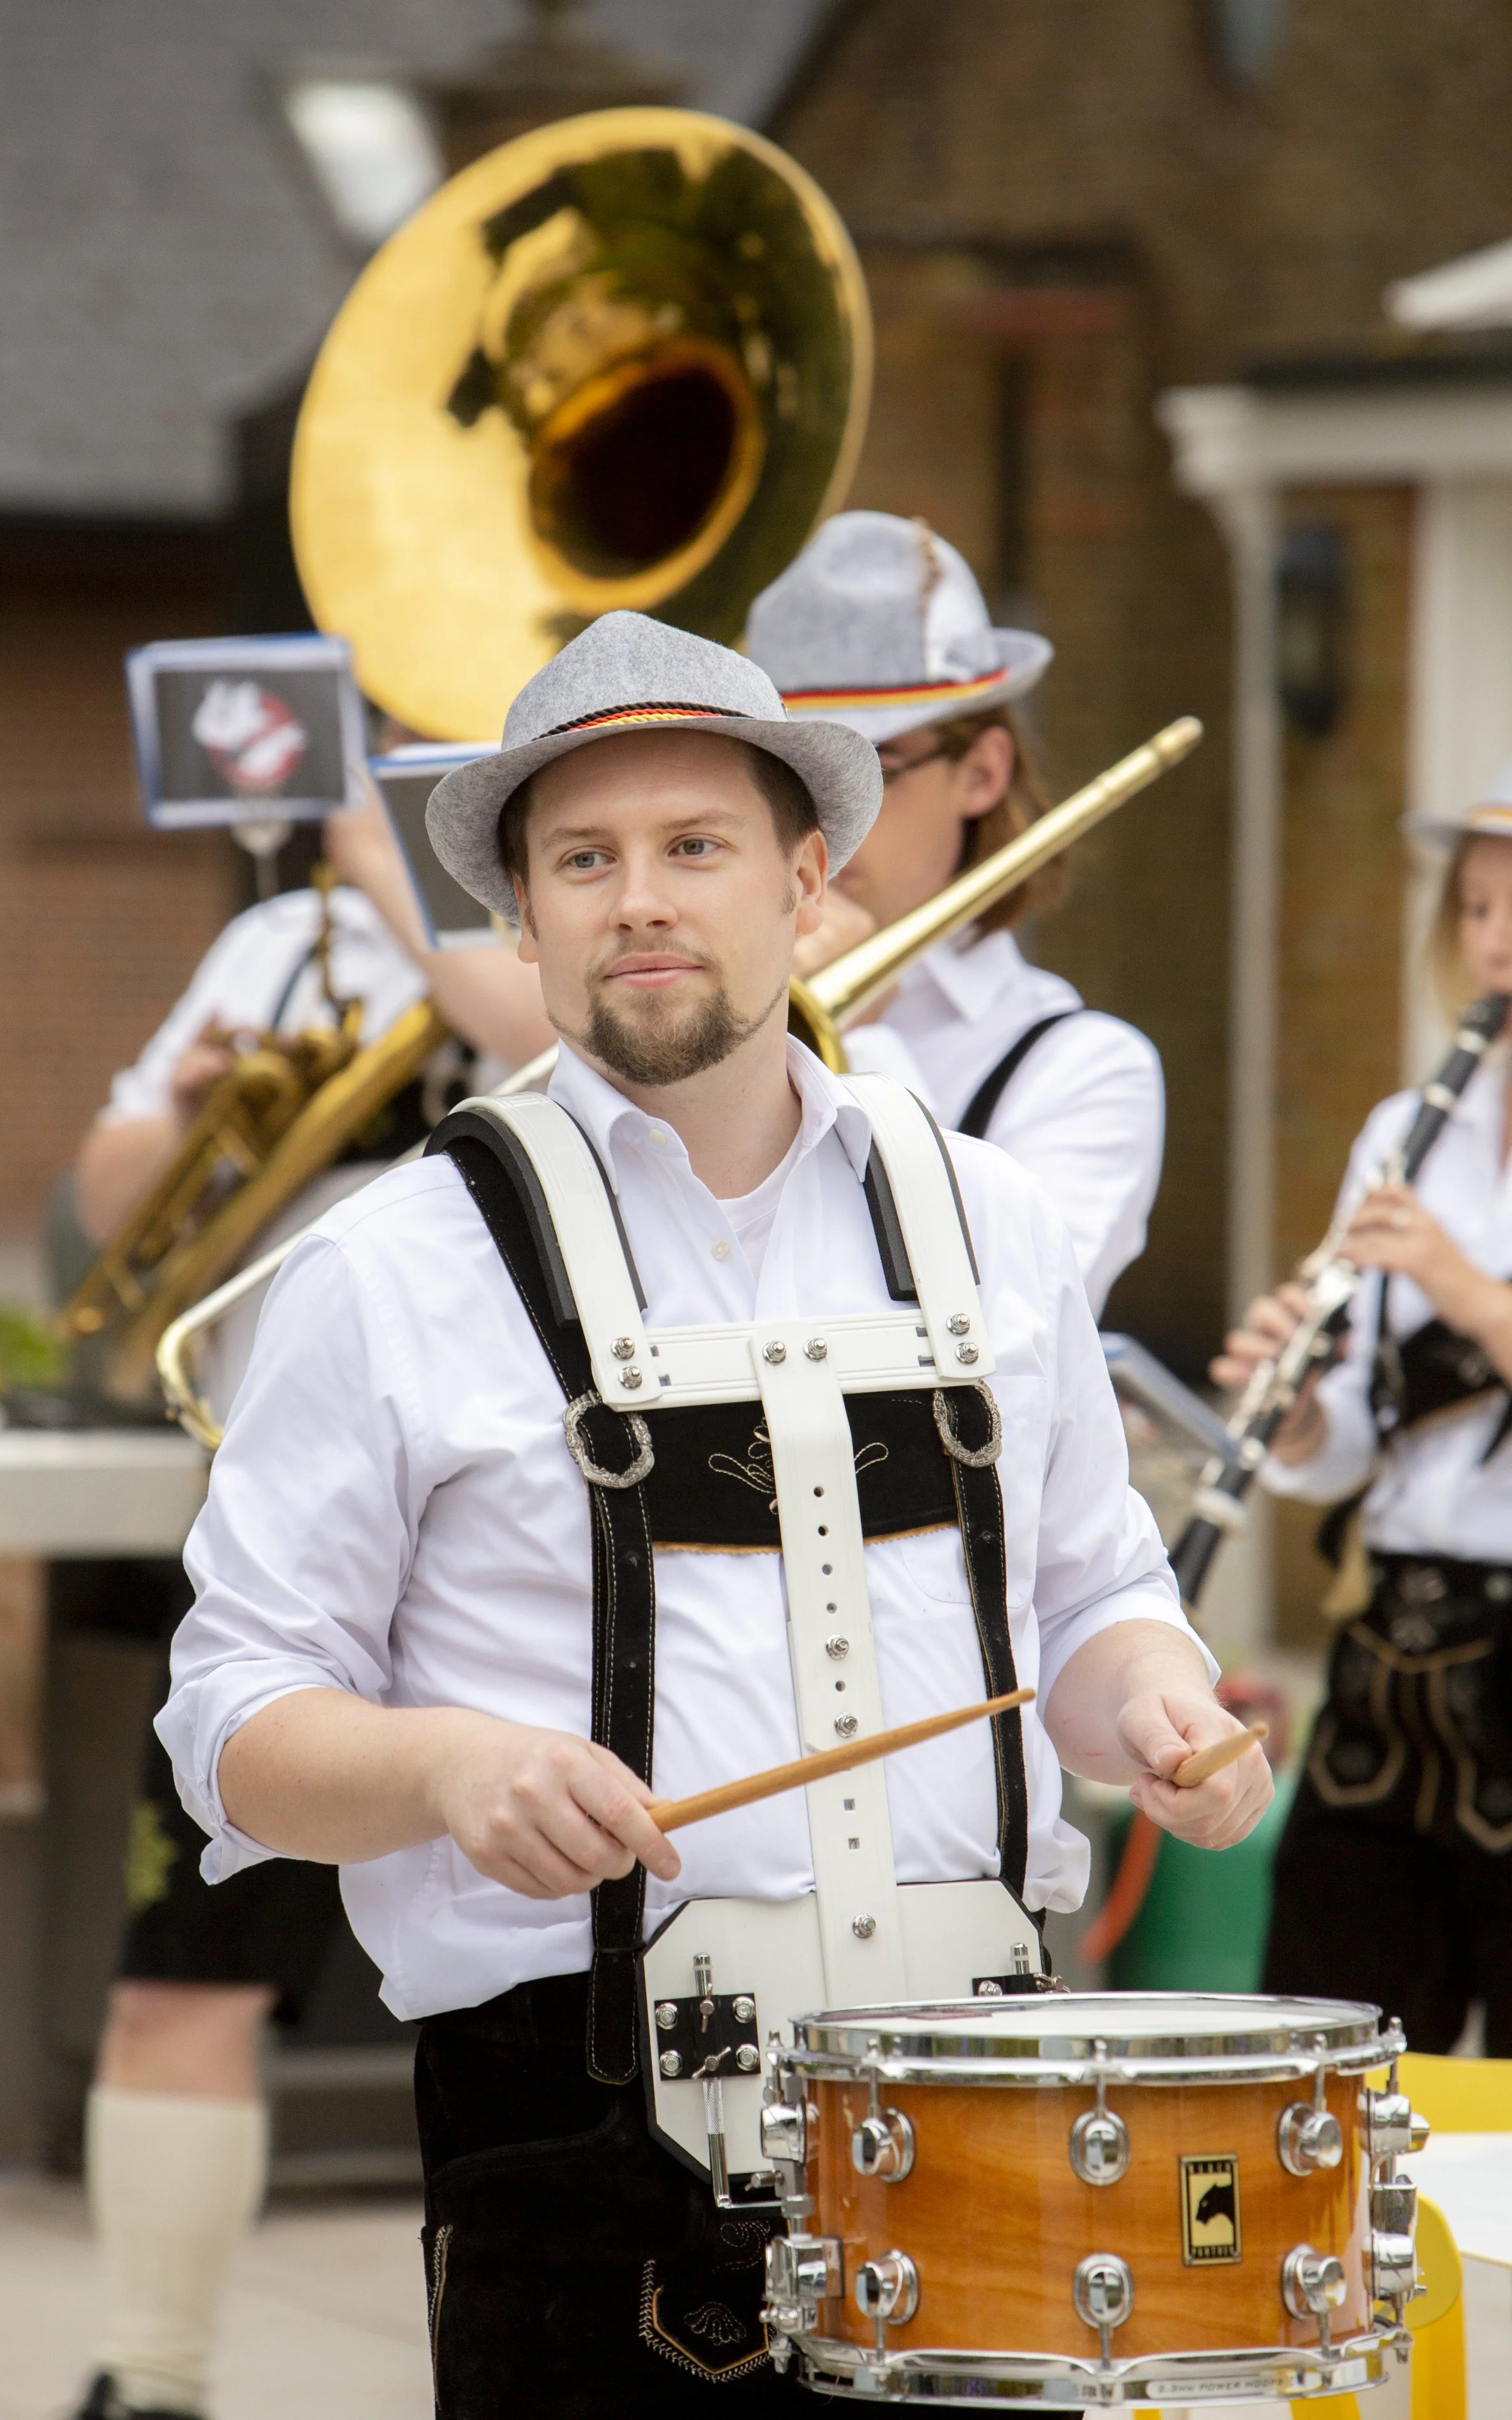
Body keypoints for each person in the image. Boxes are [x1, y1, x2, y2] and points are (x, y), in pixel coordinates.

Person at [157, 612, 1268, 2420]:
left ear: (807, 877)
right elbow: (234, 1718)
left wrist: (1156, 1701)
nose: (637, 899)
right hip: (575, 2156)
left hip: (982, 2100)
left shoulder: (998, 1222)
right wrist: (447, 1769)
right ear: (519, 916)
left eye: (695, 846)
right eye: (580, 860)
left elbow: (1087, 1600)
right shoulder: (382, 1268)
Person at [68, 792, 551, 2420]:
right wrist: (197, 1114)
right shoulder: (279, 942)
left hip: (520, 1498)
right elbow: (109, 1193)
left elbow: (553, 1028)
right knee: (177, 1962)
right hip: (288, 1495)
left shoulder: (549, 917)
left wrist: (404, 891)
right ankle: (152, 2371)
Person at [1221, 765, 1512, 2054]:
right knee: (1321, 2050)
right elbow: (1355, 1439)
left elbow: (1453, 1308)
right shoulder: (1407, 1127)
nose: (1495, 942)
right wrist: (1289, 1412)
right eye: (1475, 908)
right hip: (1389, 1648)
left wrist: (1455, 1280)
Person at [747, 510, 1164, 1317]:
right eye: (789, 779)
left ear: (981, 772)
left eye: (875, 769)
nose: (822, 824)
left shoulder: (1084, 1067)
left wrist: (847, 1037)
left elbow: (1007, 1332)